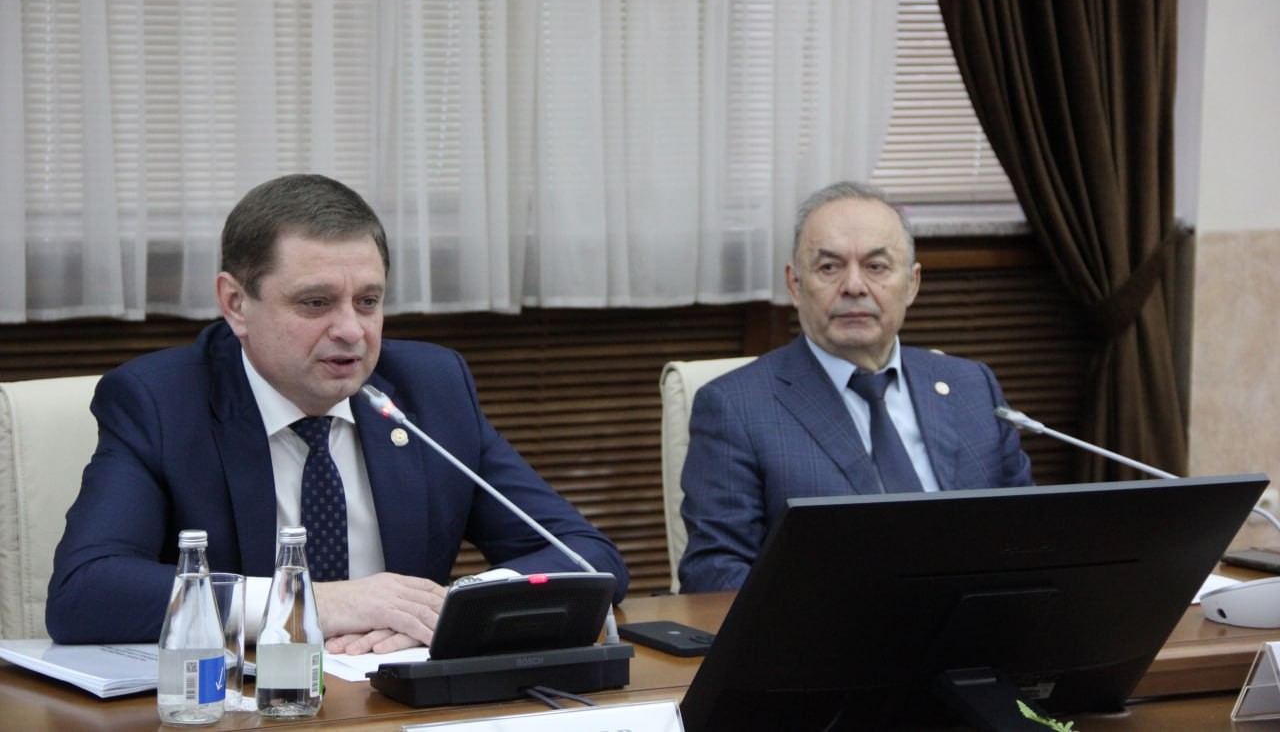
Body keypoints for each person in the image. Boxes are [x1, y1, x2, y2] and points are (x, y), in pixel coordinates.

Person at [46, 173, 629, 653]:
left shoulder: (429, 391)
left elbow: (588, 556)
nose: (351, 330)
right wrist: (317, 603)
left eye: (368, 301)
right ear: (236, 303)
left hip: (394, 699)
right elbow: (85, 592)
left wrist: (444, 609)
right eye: (315, 302)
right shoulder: (160, 401)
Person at [678, 181, 1033, 593]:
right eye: (829, 268)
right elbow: (714, 573)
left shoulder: (972, 387)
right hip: (829, 629)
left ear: (912, 283)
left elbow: (1027, 535)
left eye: (876, 267)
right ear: (795, 284)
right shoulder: (735, 407)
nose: (853, 286)